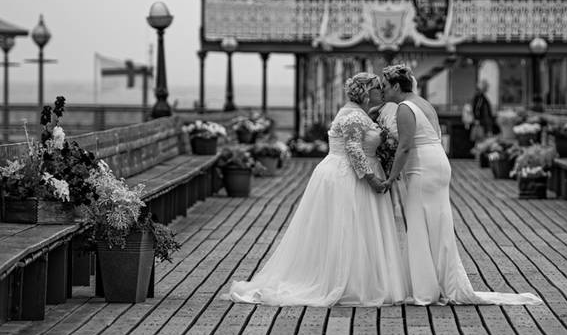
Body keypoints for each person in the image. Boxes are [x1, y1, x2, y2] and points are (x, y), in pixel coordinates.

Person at [227, 73, 407, 306]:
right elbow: (353, 148)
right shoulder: (353, 115)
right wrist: (371, 178)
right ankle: (345, 281)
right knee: (346, 227)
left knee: (357, 228)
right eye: (375, 88)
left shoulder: (360, 113)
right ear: (364, 91)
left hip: (347, 172)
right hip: (348, 176)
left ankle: (359, 277)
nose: (380, 91)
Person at [381, 64, 542, 306]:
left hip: (423, 167)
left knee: (418, 224)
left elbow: (405, 146)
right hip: (437, 163)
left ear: (395, 86)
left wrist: (391, 177)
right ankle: (437, 281)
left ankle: (424, 288)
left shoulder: (404, 108)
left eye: (384, 86)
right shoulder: (423, 103)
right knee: (436, 224)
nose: (382, 91)